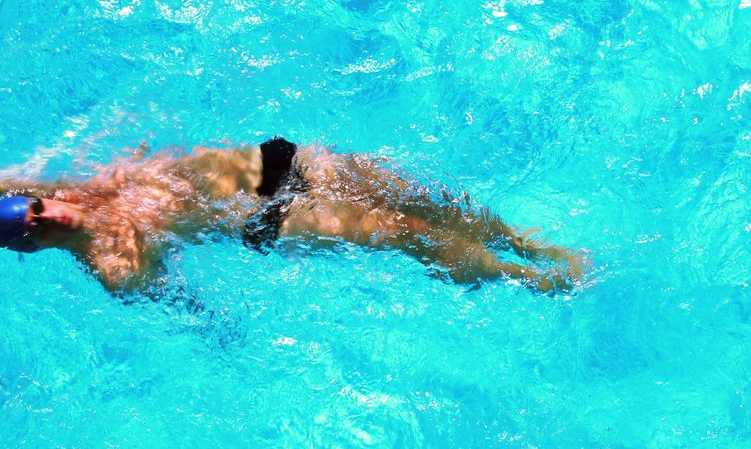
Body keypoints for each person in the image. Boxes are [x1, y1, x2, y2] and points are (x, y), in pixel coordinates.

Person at [0, 138, 585, 294]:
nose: (50, 215)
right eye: (33, 227)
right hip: (266, 220)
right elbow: (185, 309)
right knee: (410, 235)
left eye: (35, 207)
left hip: (270, 161)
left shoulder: (68, 191)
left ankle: (523, 242)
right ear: (27, 246)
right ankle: (530, 280)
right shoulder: (113, 264)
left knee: (426, 199)